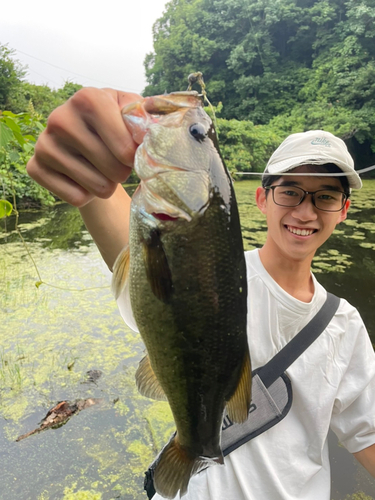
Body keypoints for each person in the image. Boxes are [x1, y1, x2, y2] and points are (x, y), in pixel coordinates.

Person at [26, 87, 375, 500]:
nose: (306, 210)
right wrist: (84, 162)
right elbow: (137, 236)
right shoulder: (200, 268)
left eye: (326, 196)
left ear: (344, 209)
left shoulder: (345, 325)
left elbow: (366, 434)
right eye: (290, 191)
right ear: (261, 199)